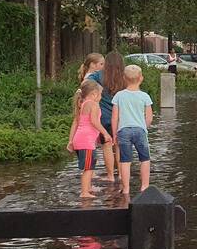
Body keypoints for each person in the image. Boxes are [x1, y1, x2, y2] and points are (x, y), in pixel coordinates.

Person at [111, 64, 154, 196]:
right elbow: (149, 117)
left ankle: (126, 189)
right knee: (144, 158)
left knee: (125, 160)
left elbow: (114, 117)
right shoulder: (145, 96)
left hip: (123, 131)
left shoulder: (119, 96)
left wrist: (114, 134)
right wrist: (144, 127)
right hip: (140, 130)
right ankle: (145, 186)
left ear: (124, 78)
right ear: (141, 78)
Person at [66, 79, 112, 199]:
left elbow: (79, 122)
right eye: (100, 94)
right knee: (88, 168)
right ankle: (84, 192)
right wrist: (106, 133)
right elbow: (94, 122)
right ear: (94, 94)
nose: (101, 97)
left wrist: (71, 141)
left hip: (81, 140)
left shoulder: (84, 103)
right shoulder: (93, 104)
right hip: (85, 141)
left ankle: (88, 187)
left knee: (90, 165)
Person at [87, 51, 126, 184]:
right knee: (120, 146)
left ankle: (110, 176)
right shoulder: (124, 76)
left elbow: (86, 83)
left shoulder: (99, 75)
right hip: (121, 117)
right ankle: (121, 174)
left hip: (103, 117)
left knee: (107, 146)